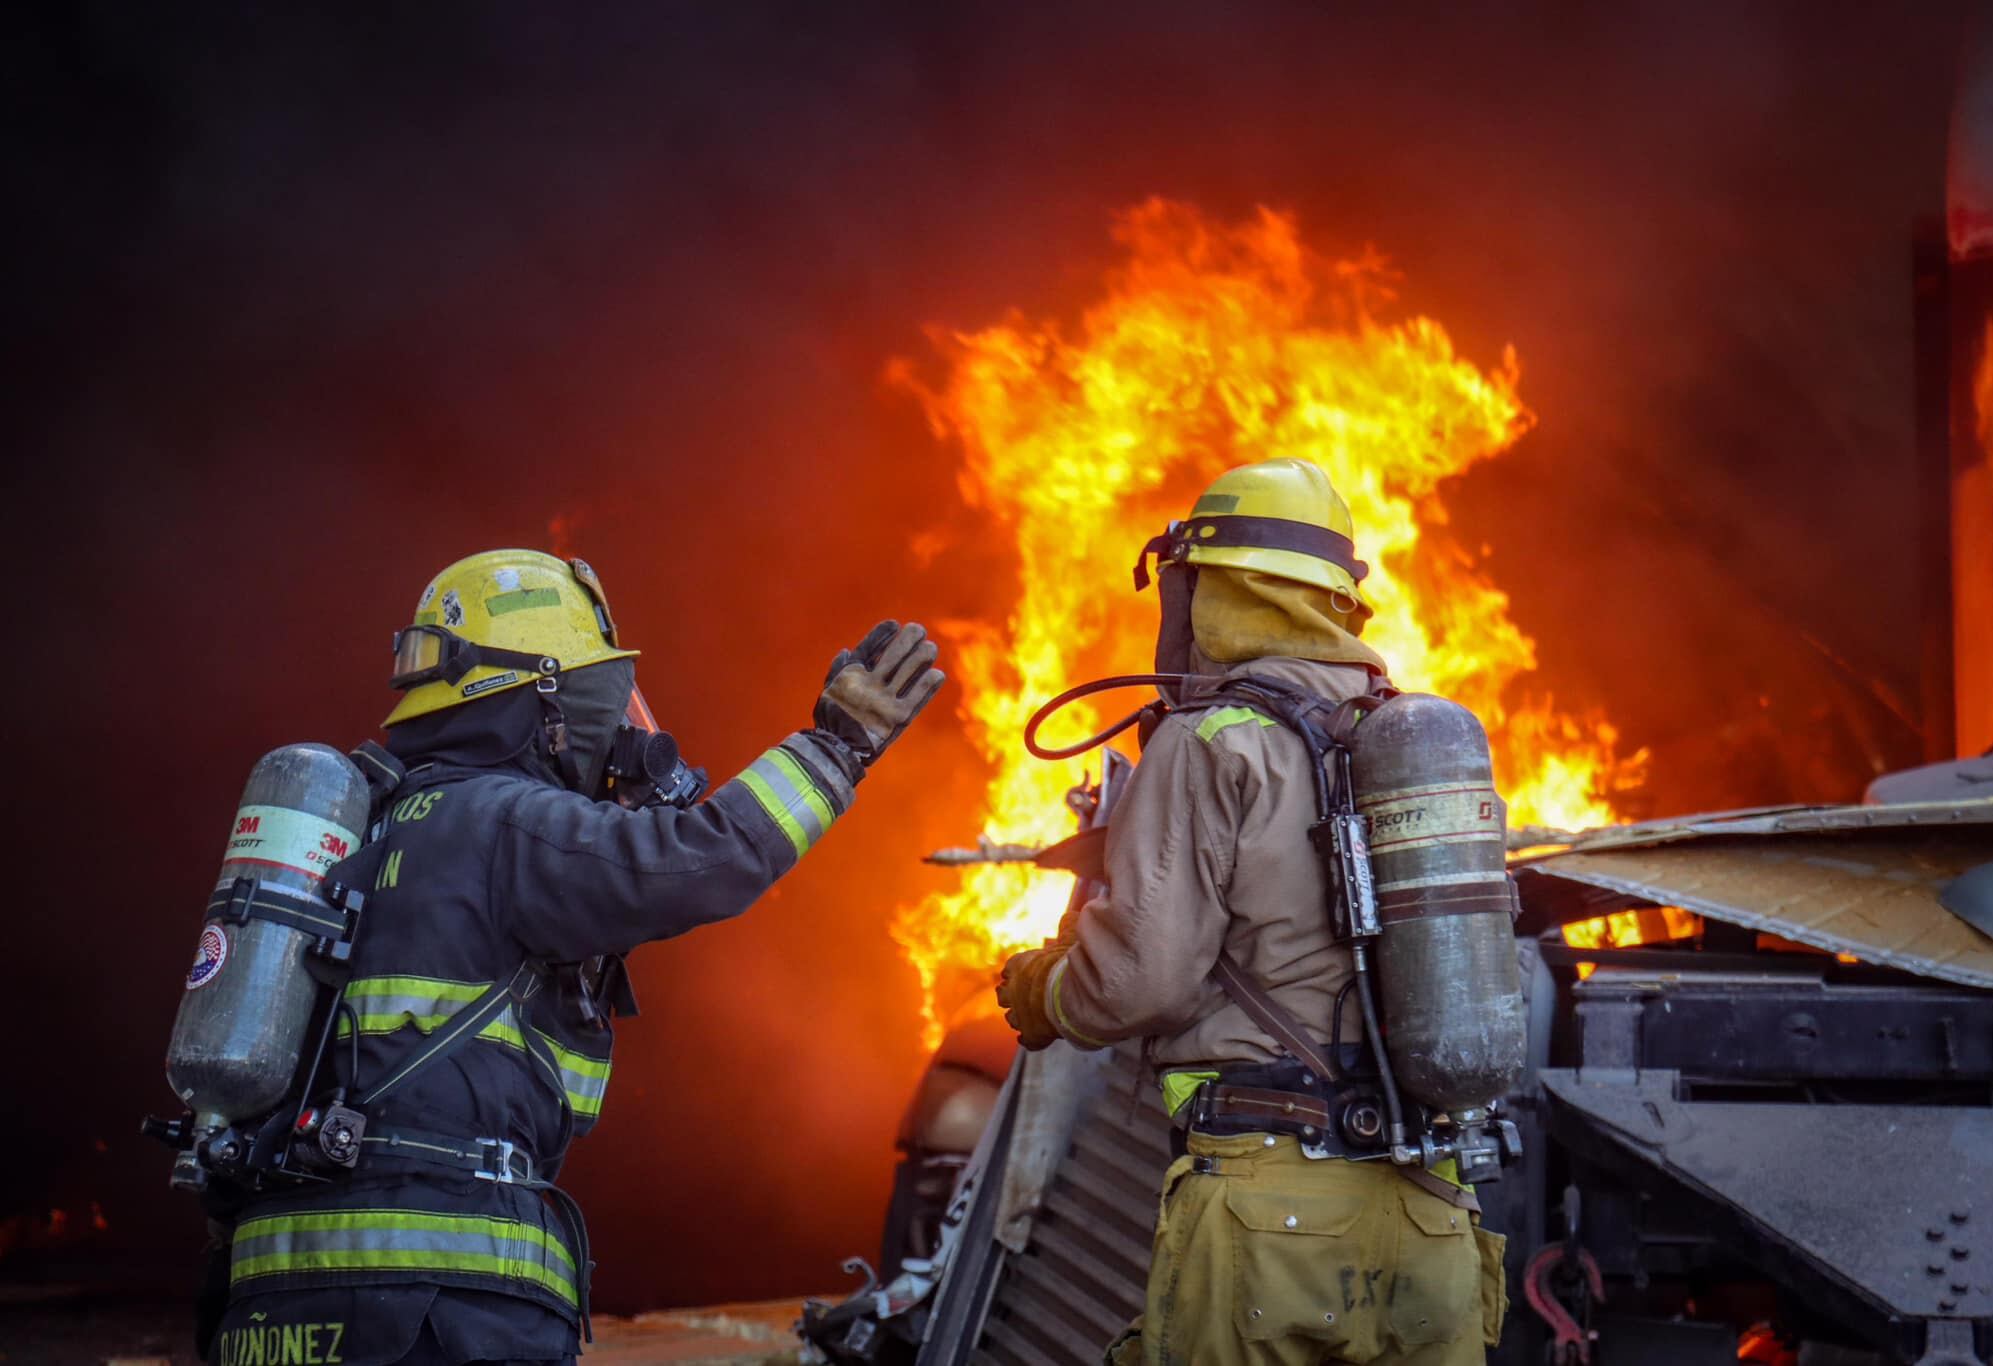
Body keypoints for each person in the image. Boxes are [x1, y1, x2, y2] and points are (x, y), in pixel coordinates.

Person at [204, 548, 944, 1366]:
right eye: (601, 701)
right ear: (542, 701)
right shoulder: (502, 823)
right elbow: (704, 859)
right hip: (435, 1305)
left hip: (277, 1299)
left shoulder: (373, 822)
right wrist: (837, 750)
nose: (617, 728)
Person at [995, 459, 1506, 1366]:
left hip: (1274, 1215)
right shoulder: (1400, 742)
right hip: (1433, 1216)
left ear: (1208, 589)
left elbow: (1140, 980)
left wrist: (1046, 992)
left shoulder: (1213, 741)